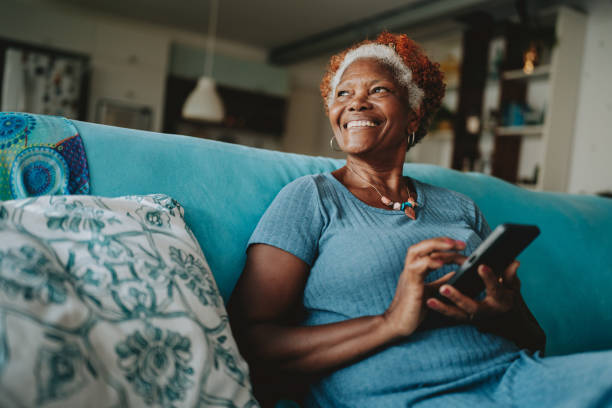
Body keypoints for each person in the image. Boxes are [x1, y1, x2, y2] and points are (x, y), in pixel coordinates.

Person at [228, 32, 612, 407]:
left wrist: (503, 312)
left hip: (516, 378)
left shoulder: (460, 208)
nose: (355, 103)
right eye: (342, 93)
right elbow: (248, 341)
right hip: (401, 394)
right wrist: (391, 321)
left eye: (377, 90)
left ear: (413, 115)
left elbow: (534, 340)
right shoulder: (311, 198)